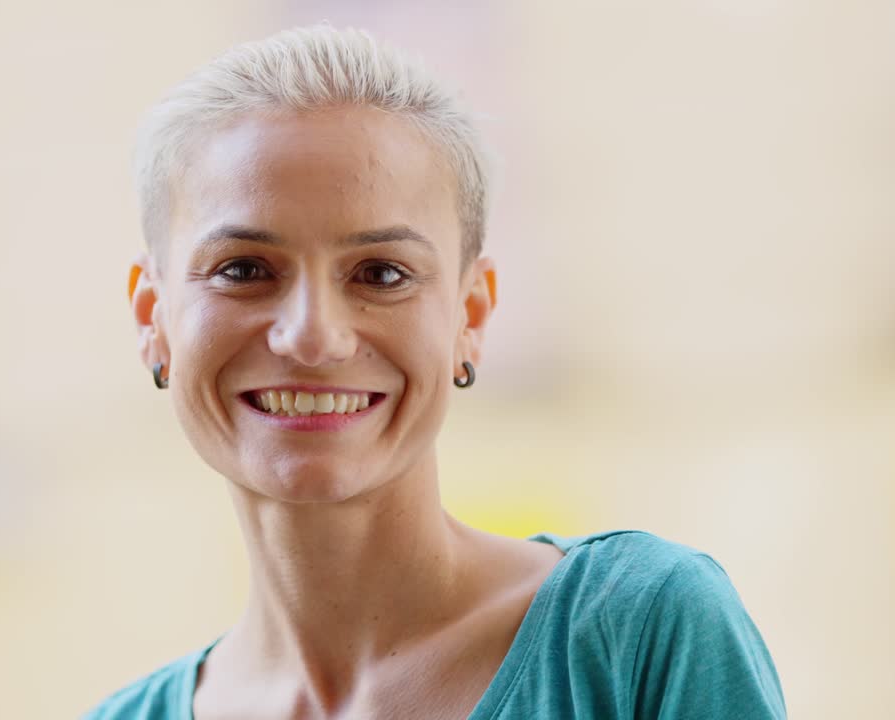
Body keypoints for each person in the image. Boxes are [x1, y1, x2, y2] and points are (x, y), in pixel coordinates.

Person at [85, 24, 786, 720]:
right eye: (243, 270)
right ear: (154, 317)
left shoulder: (637, 633)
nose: (312, 337)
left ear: (470, 317)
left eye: (381, 273)